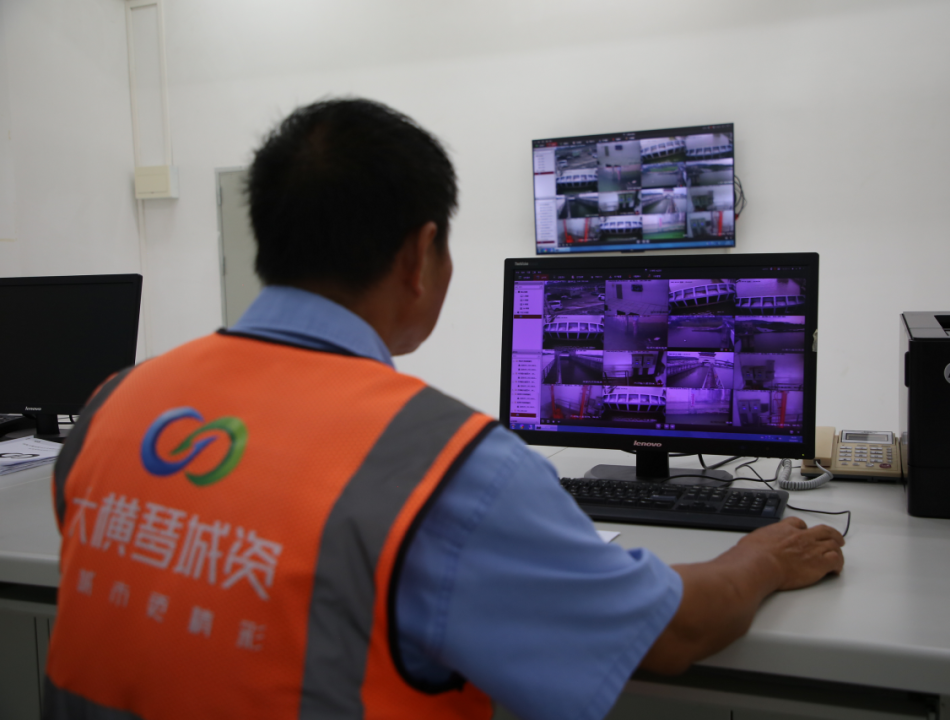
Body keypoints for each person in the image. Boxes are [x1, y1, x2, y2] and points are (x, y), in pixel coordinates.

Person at [45, 98, 844, 720]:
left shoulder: (113, 404)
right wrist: (765, 558)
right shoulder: (444, 464)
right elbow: (672, 634)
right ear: (419, 255)